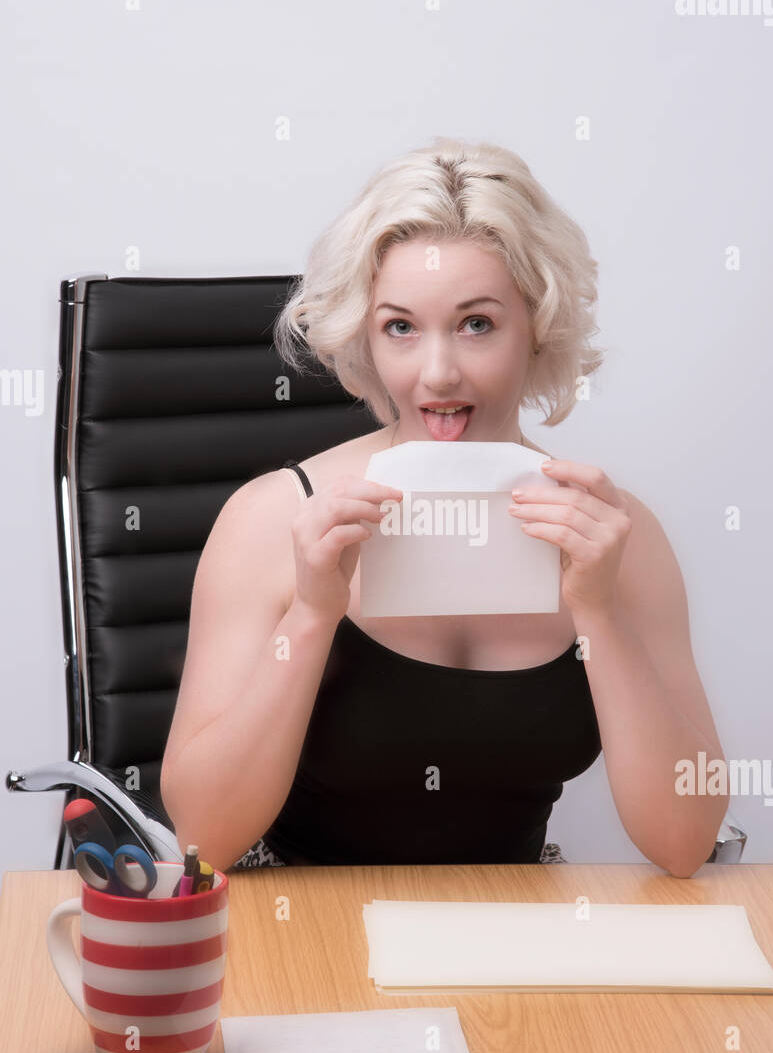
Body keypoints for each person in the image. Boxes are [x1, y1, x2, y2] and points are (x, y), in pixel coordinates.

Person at [160, 137, 728, 876]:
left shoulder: (614, 535)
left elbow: (684, 842)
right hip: (298, 931)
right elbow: (205, 837)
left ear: (537, 328)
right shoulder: (268, 520)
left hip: (510, 939)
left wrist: (598, 612)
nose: (437, 373)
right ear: (364, 336)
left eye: (476, 324)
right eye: (400, 327)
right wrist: (310, 613)